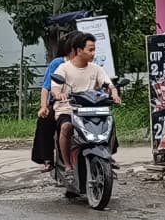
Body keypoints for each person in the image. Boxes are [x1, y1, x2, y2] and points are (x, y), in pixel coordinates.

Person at [52, 32, 121, 167]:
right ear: (79, 50)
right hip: (68, 109)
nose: (93, 53)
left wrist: (114, 93)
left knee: (109, 123)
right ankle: (67, 165)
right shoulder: (63, 68)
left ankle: (107, 155)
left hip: (92, 110)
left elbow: (108, 84)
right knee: (66, 127)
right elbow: (55, 88)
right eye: (90, 50)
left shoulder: (96, 69)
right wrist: (59, 94)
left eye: (94, 49)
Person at [33, 37, 73, 170]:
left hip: (82, 103)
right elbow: (46, 87)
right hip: (60, 103)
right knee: (45, 119)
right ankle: (48, 159)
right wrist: (44, 107)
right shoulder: (57, 63)